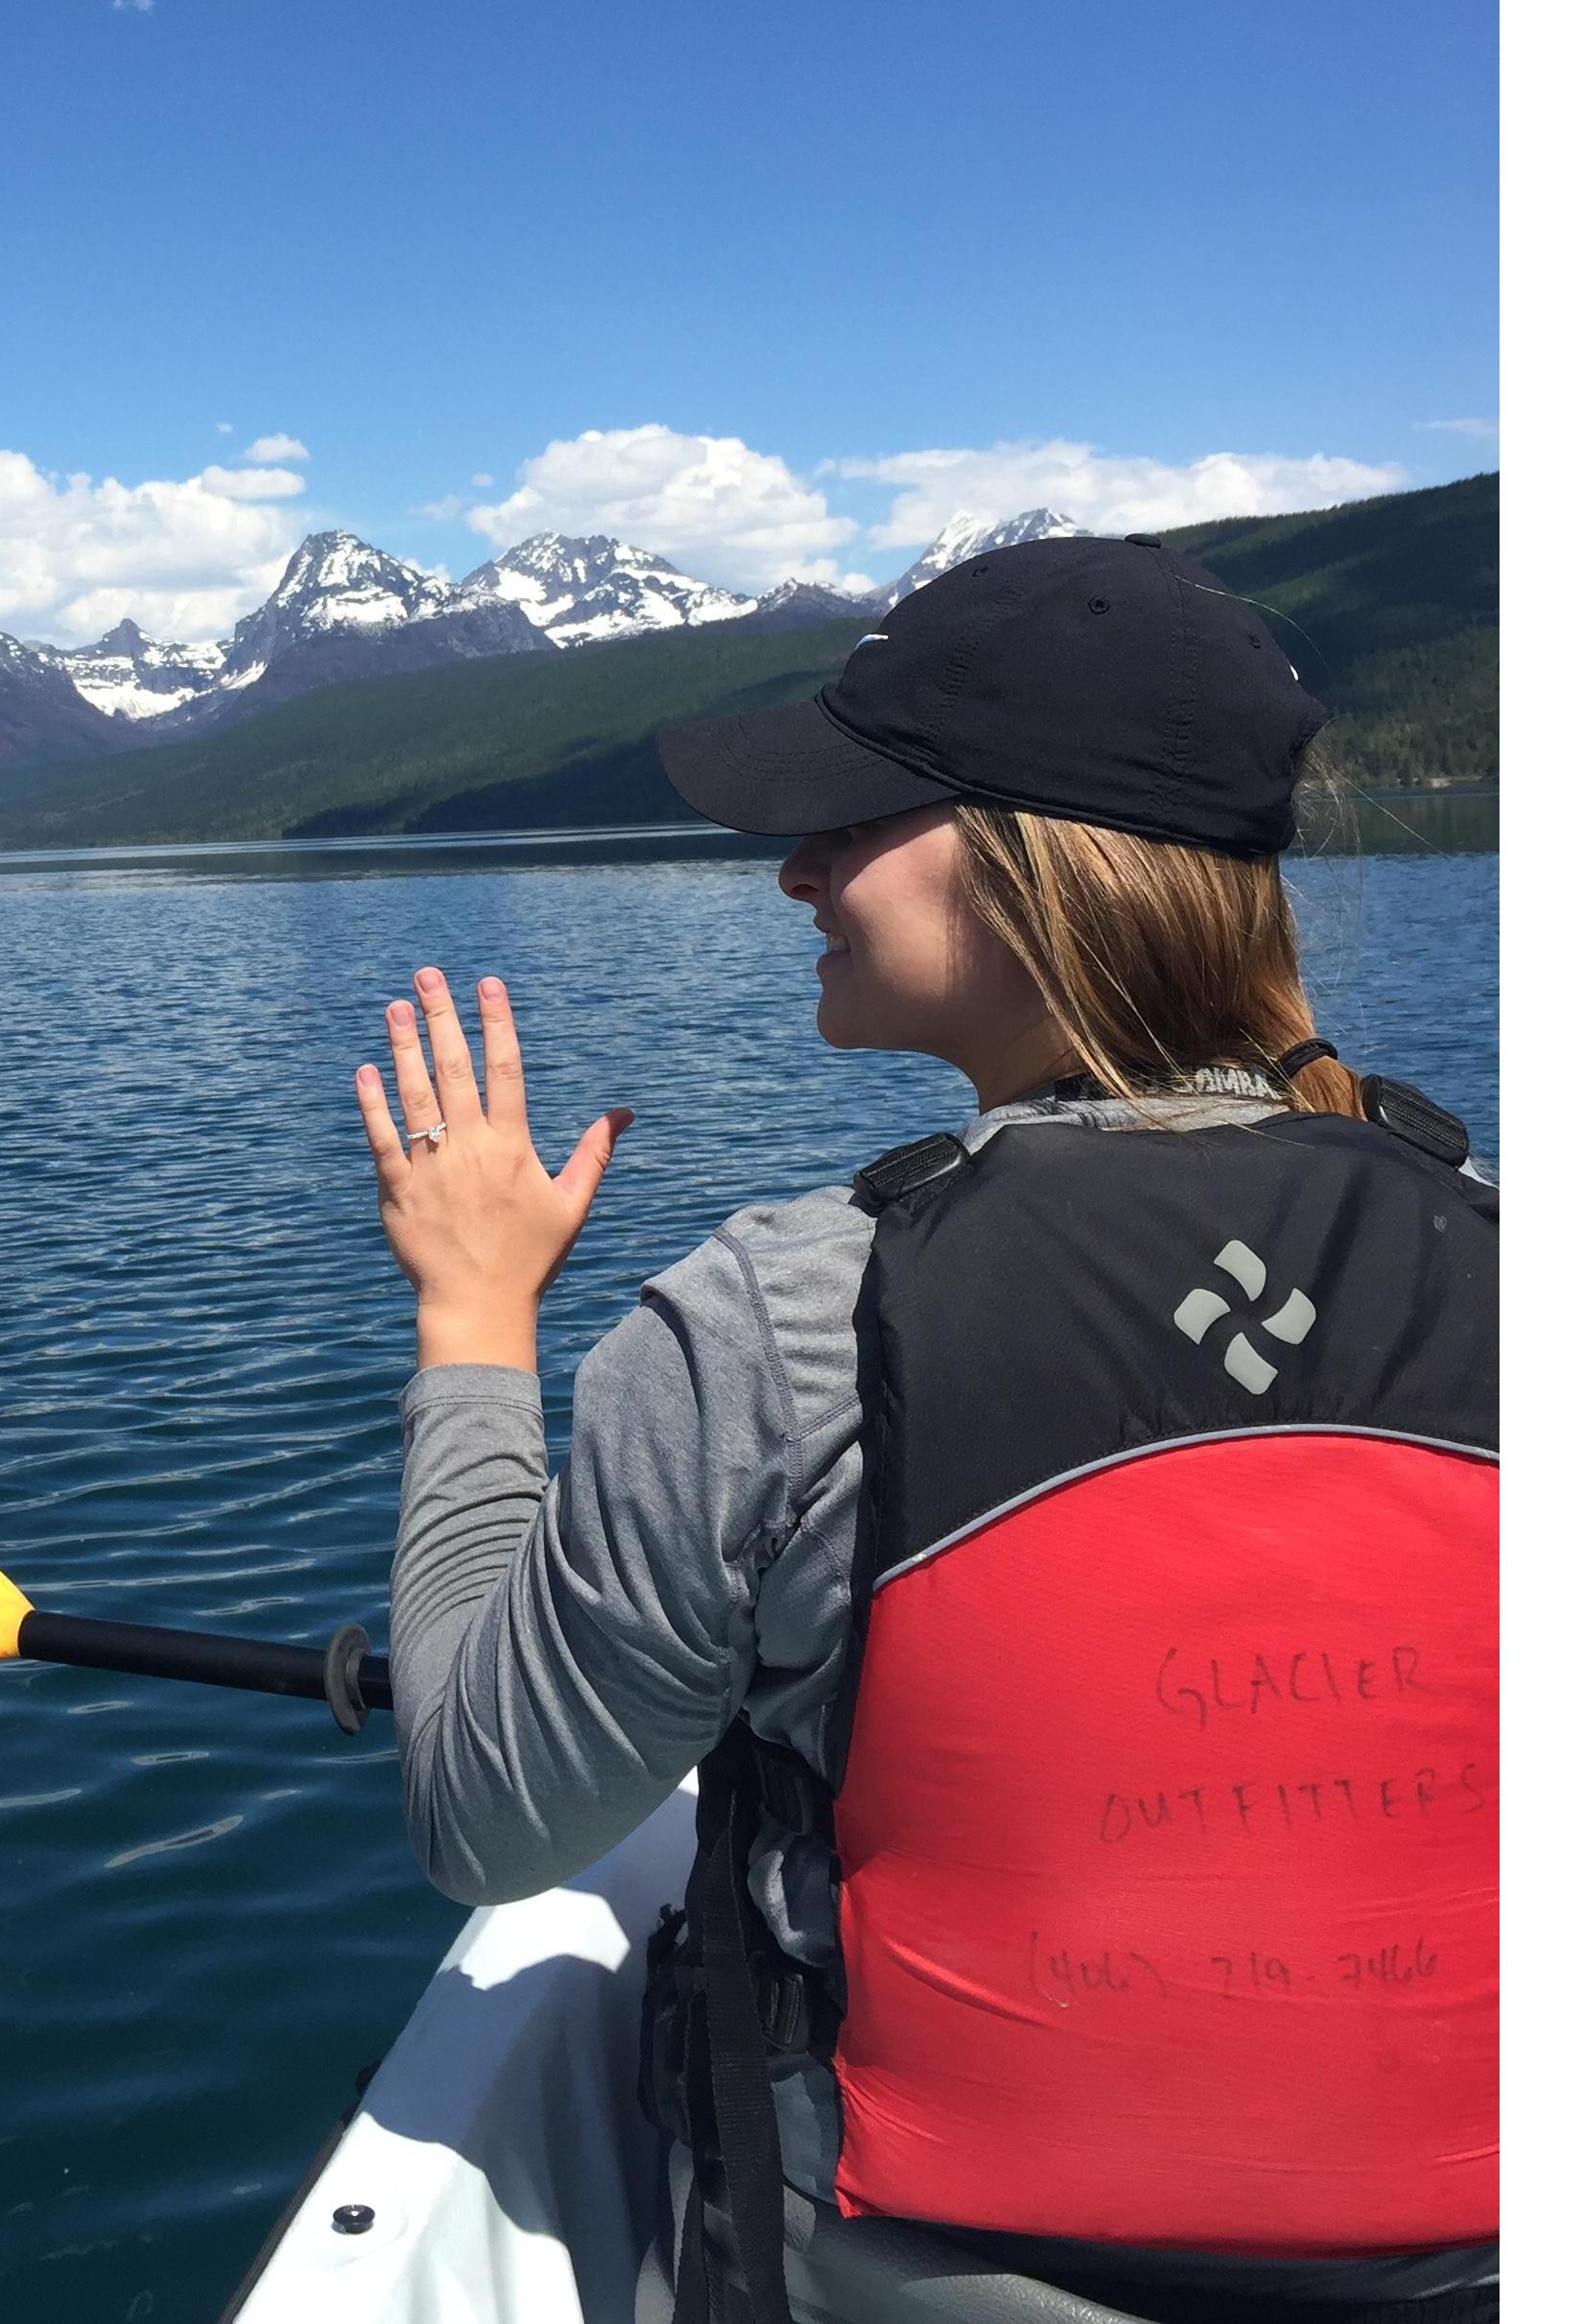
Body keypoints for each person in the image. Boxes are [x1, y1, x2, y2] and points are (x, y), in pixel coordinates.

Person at [357, 534, 1497, 2324]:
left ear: (1048, 862)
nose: (795, 866)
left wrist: (476, 1318)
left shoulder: (781, 1324)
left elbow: (489, 1820)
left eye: (853, 815)